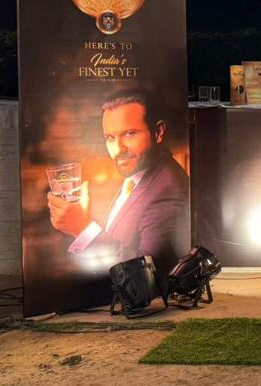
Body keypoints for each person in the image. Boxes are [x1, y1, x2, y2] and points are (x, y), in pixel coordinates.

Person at [48, 89, 189, 276]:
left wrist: (83, 229)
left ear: (158, 132)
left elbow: (147, 276)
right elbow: (119, 240)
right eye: (110, 137)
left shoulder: (167, 190)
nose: (117, 149)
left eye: (130, 134)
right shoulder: (137, 176)